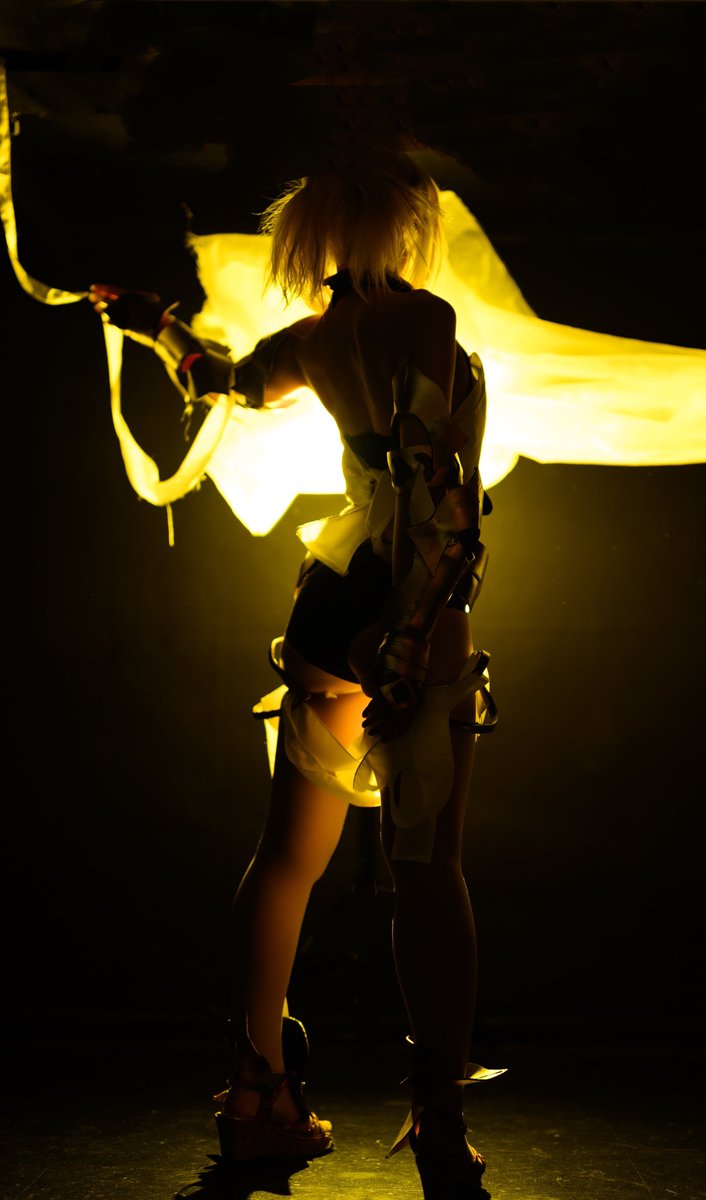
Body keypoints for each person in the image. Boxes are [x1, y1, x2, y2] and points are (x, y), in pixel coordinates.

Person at [89, 144, 502, 1200]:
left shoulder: (311, 340)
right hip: (411, 603)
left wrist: (153, 322)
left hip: (332, 604)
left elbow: (215, 382)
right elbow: (435, 490)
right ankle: (440, 1122)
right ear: (400, 227)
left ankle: (255, 1096)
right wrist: (411, 638)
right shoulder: (425, 320)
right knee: (427, 870)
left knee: (284, 862)